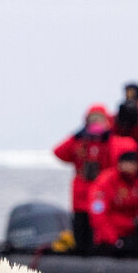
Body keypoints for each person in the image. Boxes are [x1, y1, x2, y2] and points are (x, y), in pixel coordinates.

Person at [53, 104, 114, 252]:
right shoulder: (79, 142)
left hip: (101, 195)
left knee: (99, 228)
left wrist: (108, 135)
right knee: (81, 229)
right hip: (81, 194)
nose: (96, 122)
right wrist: (76, 135)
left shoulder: (110, 142)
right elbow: (59, 152)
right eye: (93, 119)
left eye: (100, 119)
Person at [88, 141, 138, 251]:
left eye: (134, 162)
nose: (132, 166)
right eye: (129, 162)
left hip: (132, 235)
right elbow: (98, 214)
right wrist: (113, 240)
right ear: (120, 163)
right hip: (111, 238)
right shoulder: (106, 182)